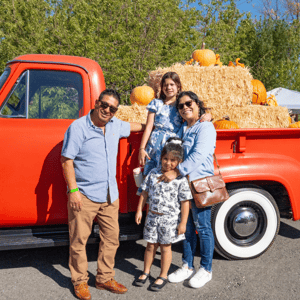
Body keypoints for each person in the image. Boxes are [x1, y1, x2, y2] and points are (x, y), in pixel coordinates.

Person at [61, 89, 145, 300]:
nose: (107, 110)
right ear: (97, 103)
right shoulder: (78, 127)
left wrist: (157, 123)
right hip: (85, 194)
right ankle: (80, 281)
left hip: (110, 194)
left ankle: (104, 278)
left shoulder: (116, 125)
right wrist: (73, 191)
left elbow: (138, 126)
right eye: (104, 105)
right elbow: (66, 160)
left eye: (113, 109)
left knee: (111, 238)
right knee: (79, 240)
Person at [159, 91, 217, 289]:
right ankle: (187, 265)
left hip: (199, 182)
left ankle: (206, 269)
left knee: (202, 226)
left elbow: (199, 155)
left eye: (188, 103)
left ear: (197, 104)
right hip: (184, 184)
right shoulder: (183, 127)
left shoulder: (206, 127)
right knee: (186, 227)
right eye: (181, 106)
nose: (185, 108)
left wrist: (176, 172)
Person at [134, 137, 192, 291]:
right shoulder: (153, 173)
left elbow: (185, 202)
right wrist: (140, 210)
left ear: (179, 161)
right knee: (150, 246)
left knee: (166, 248)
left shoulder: (180, 179)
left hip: (169, 219)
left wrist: (183, 223)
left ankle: (163, 275)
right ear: (161, 158)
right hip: (152, 216)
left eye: (173, 160)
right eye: (165, 159)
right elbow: (144, 193)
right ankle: (145, 271)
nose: (168, 163)